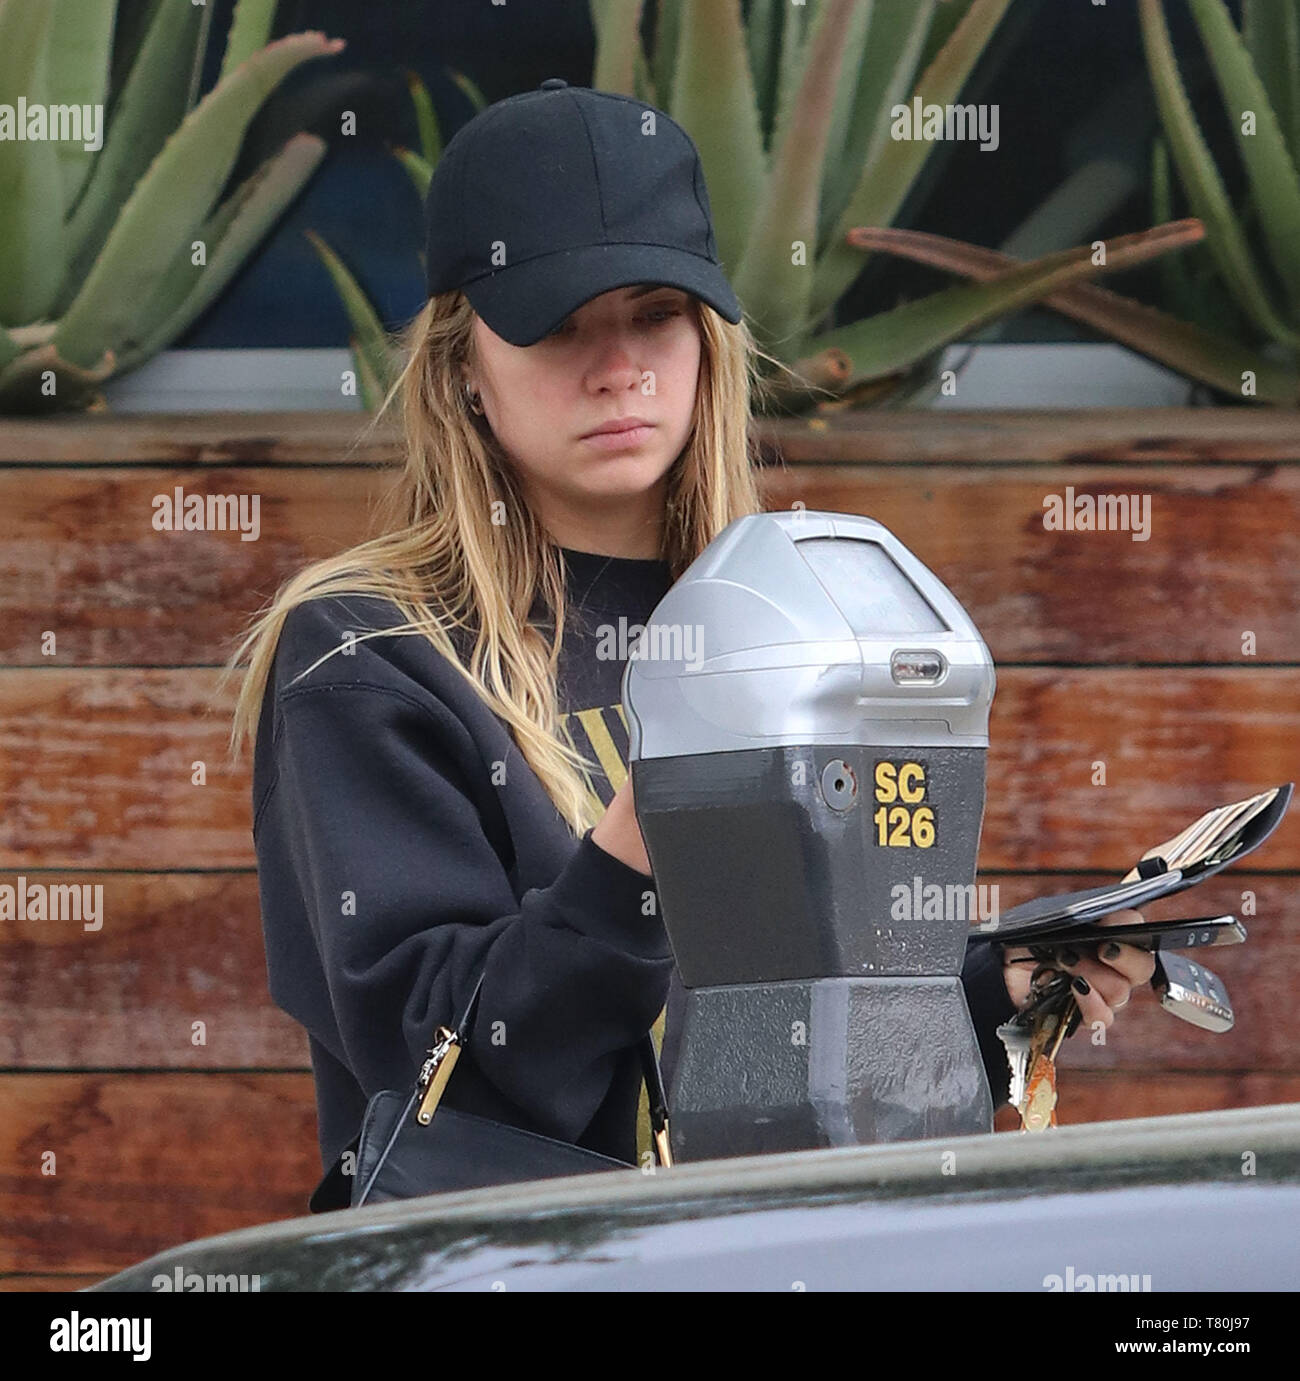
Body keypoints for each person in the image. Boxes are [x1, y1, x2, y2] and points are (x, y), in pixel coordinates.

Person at [222, 80, 1154, 1200]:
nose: (618, 364)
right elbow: (444, 1072)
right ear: (462, 363)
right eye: (561, 323)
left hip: (762, 1253)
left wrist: (989, 984)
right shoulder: (367, 650)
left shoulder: (783, 622)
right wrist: (652, 825)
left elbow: (772, 1038)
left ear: (708, 339)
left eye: (655, 313)